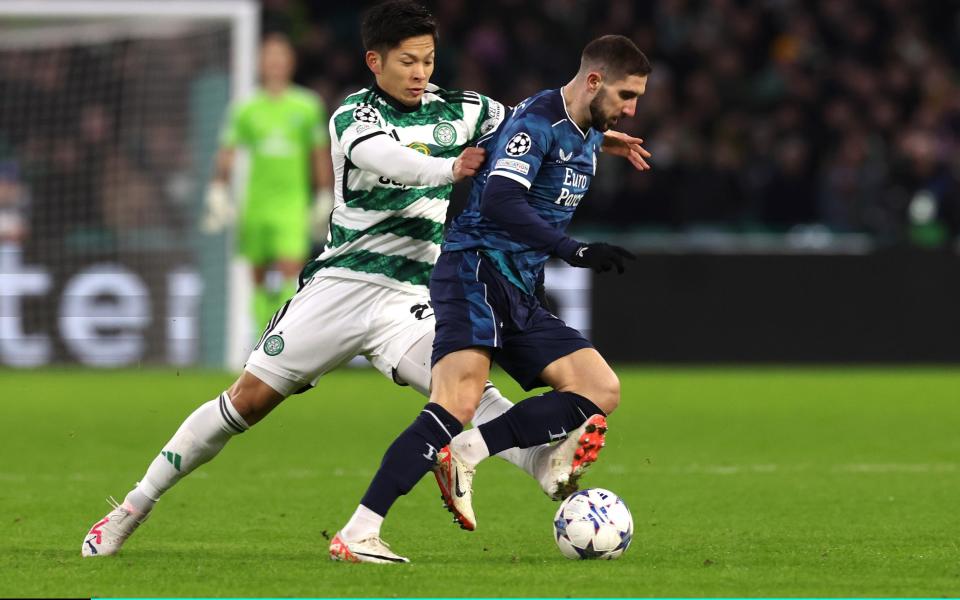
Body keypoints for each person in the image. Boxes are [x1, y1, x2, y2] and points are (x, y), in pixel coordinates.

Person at [79, 1, 646, 565]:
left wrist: (597, 135)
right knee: (243, 403)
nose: (420, 73)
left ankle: (538, 466)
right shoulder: (354, 116)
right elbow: (390, 159)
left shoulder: (464, 108)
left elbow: (537, 119)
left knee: (464, 395)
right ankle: (132, 506)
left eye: (427, 59)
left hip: (410, 297)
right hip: (342, 286)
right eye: (406, 61)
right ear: (375, 61)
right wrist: (447, 169)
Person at [353, 34, 652, 546]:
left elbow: (567, 139)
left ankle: (467, 454)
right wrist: (573, 250)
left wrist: (606, 140)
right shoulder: (537, 121)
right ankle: (361, 531)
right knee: (456, 402)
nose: (631, 109)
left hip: (517, 285)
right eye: (626, 96)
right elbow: (499, 200)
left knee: (600, 390)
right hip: (476, 269)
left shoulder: (584, 128)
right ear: (594, 81)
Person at [202, 32, 335, 331]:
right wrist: (218, 188)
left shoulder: (306, 105)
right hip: (256, 204)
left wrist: (324, 194)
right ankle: (263, 334)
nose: (275, 63)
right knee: (258, 276)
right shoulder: (246, 108)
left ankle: (284, 336)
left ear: (291, 63)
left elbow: (318, 154)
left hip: (291, 204)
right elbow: (228, 152)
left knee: (291, 269)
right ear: (260, 63)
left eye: (281, 57)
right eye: (269, 57)